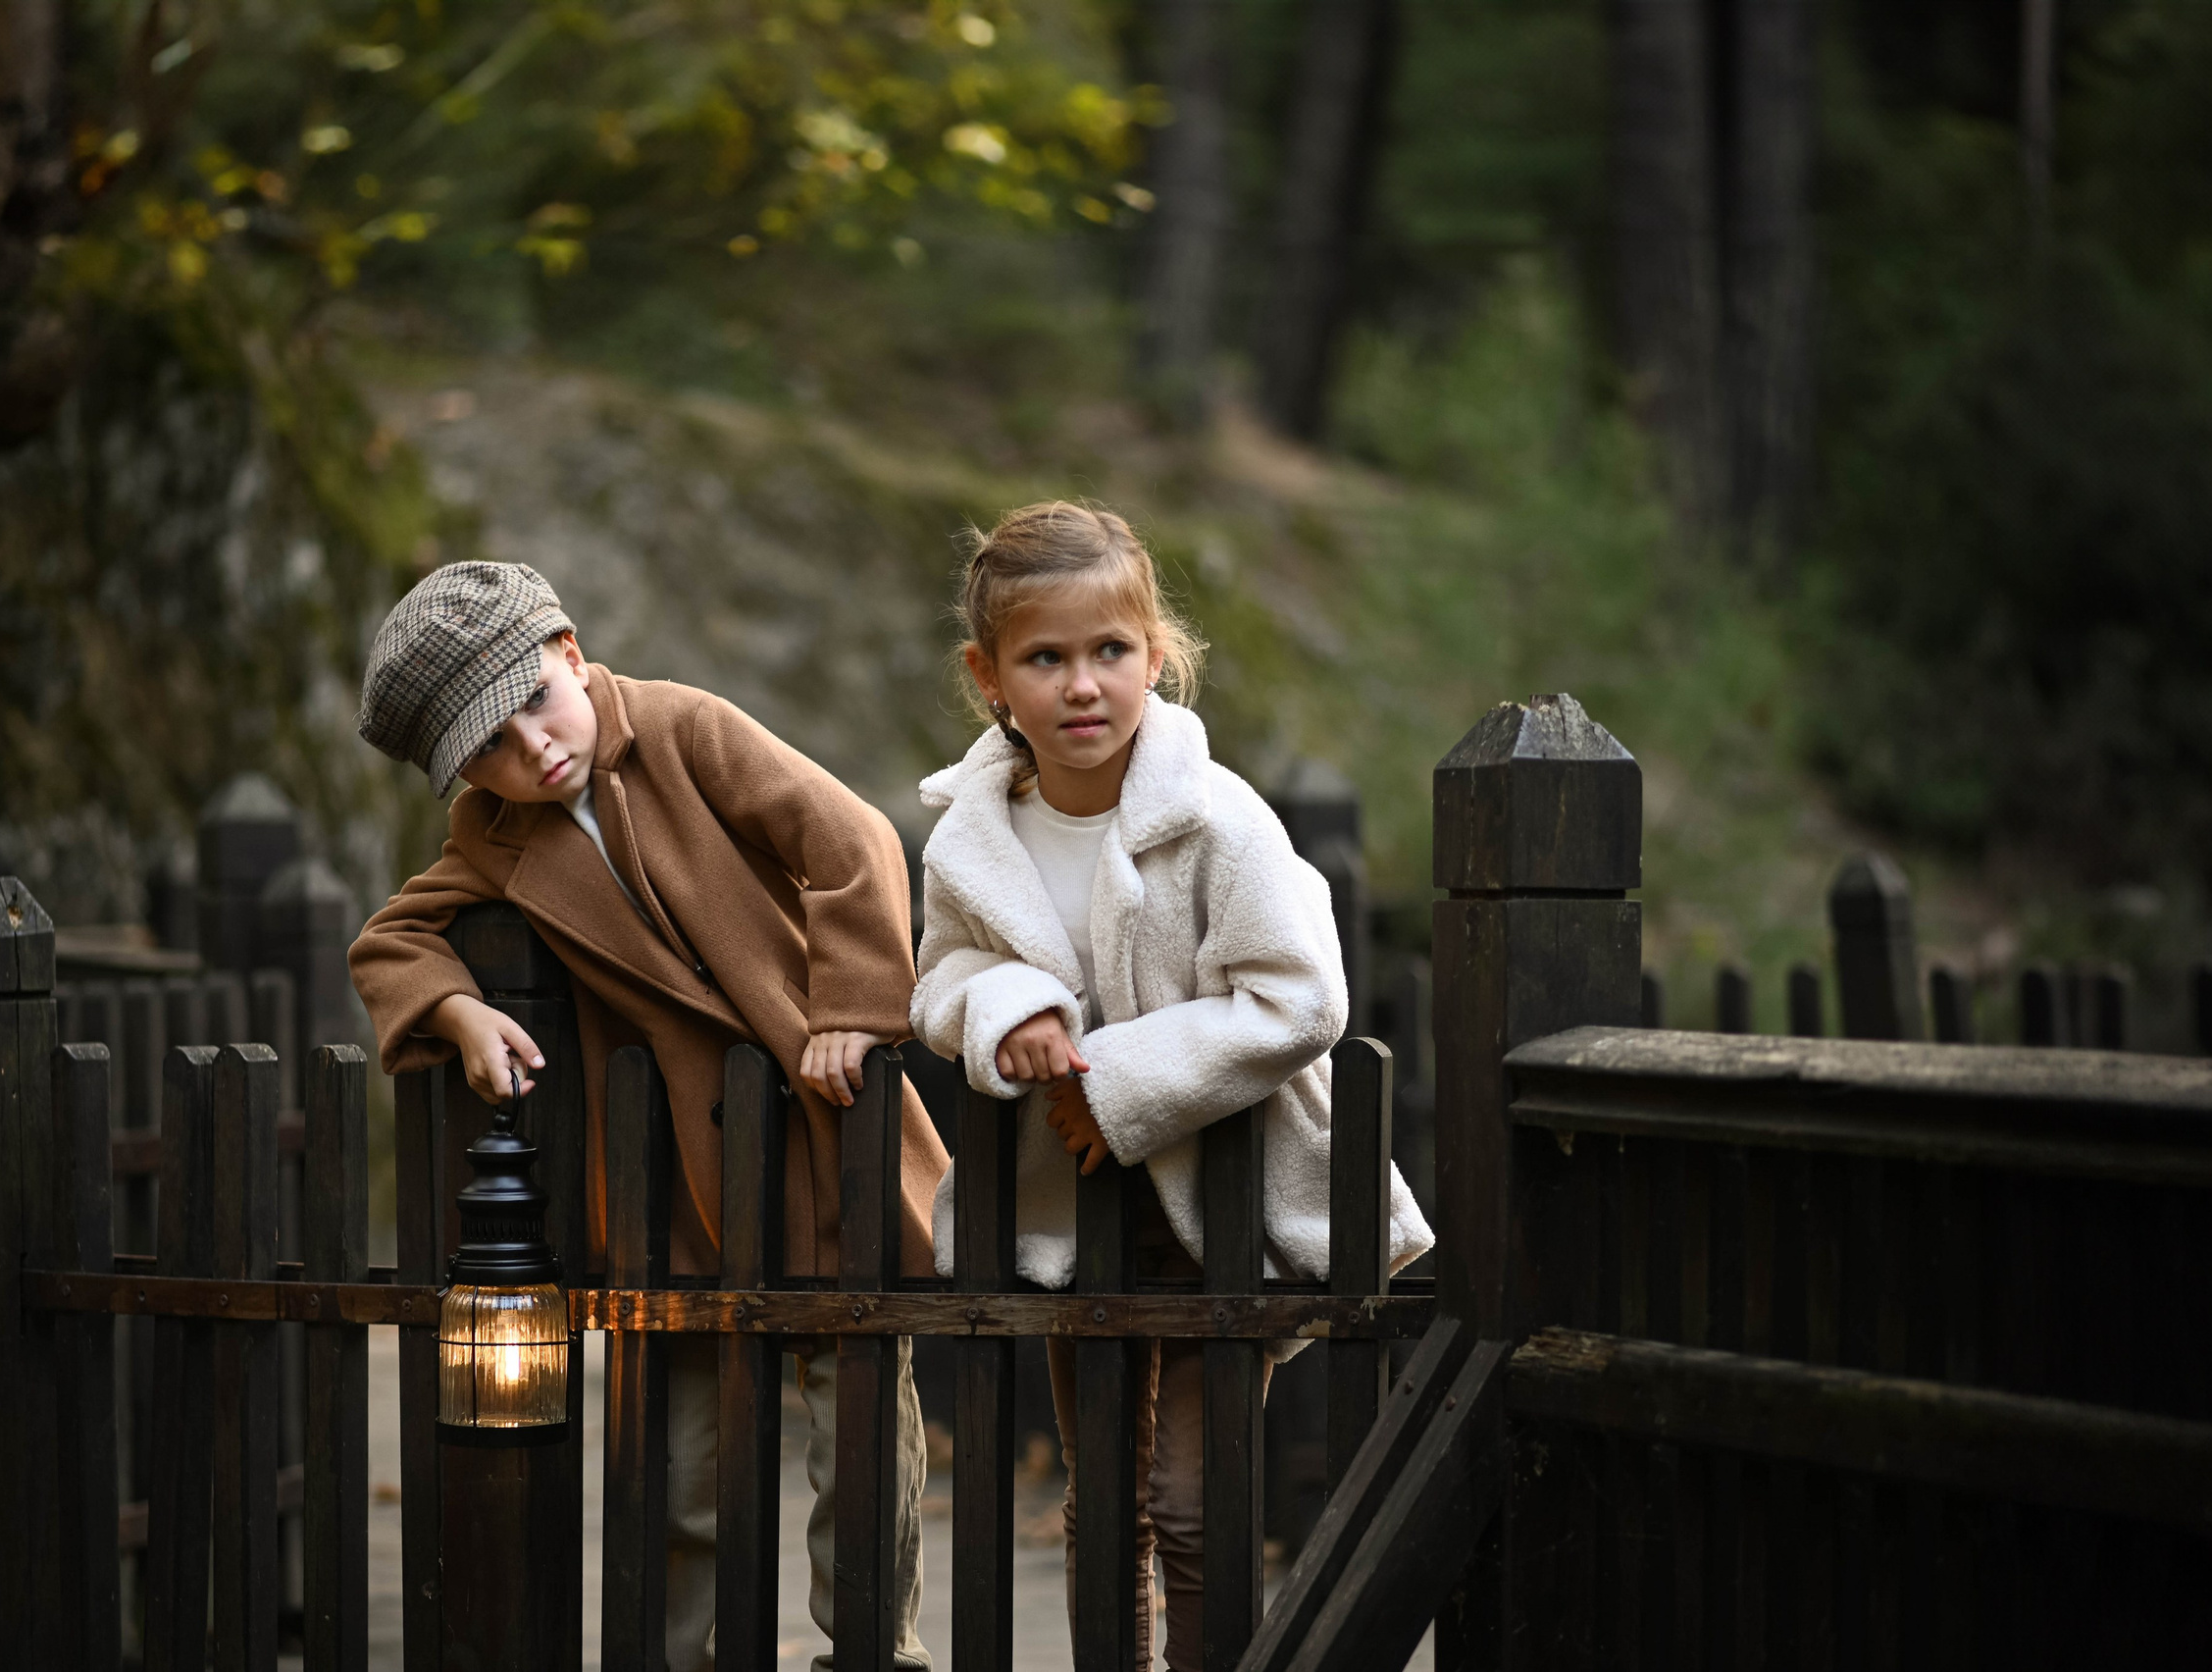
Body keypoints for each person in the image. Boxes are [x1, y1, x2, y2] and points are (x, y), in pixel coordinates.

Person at [347, 560, 940, 1672]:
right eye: (487, 749)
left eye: (533, 701)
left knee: (857, 1429)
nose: (531, 750)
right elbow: (391, 938)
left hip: (814, 1129)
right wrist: (459, 1011)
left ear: (568, 652)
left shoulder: (682, 730)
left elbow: (847, 838)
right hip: (673, 1182)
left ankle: (871, 1651)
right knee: (681, 1466)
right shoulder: (491, 836)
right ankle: (680, 1655)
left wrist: (852, 1009)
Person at [909, 503, 1434, 1671]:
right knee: (1104, 1504)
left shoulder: (1218, 820)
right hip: (1068, 1214)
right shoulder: (970, 840)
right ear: (987, 675)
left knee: (1196, 1507)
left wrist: (1113, 1079)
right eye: (1045, 658)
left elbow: (1302, 998)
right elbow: (940, 980)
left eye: (1110, 652)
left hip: (1220, 1206)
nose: (1081, 686)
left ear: (1156, 654)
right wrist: (1009, 1009)